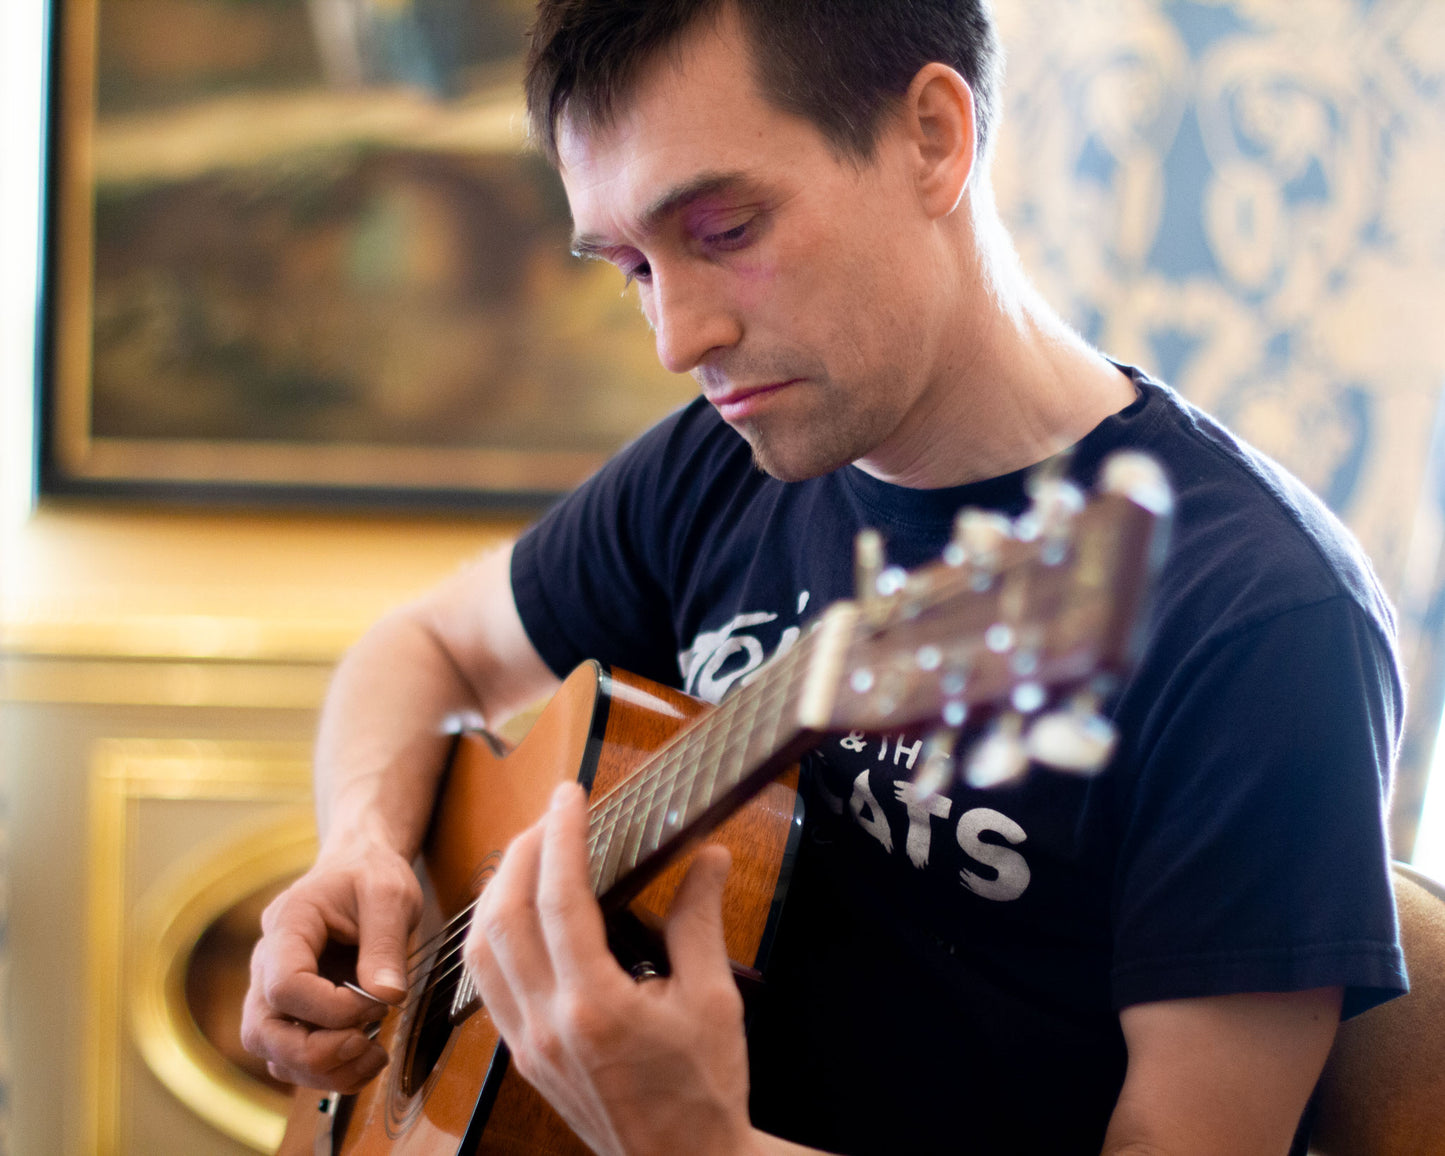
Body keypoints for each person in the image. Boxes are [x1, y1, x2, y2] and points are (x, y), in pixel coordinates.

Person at [241, 2, 1408, 1152]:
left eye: (724, 229)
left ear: (932, 140)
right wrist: (363, 844)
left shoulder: (1257, 616)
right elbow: (423, 649)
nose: (675, 338)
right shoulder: (718, 465)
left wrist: (702, 1148)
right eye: (632, 268)